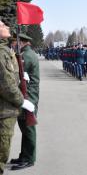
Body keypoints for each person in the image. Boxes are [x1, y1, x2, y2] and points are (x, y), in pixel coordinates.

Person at [0, 21, 35, 175]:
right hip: (4, 109)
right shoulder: (2, 52)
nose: (7, 27)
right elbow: (6, 85)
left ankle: (28, 157)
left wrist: (21, 80)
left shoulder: (6, 50)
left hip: (7, 107)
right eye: (2, 25)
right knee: (2, 150)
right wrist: (22, 101)